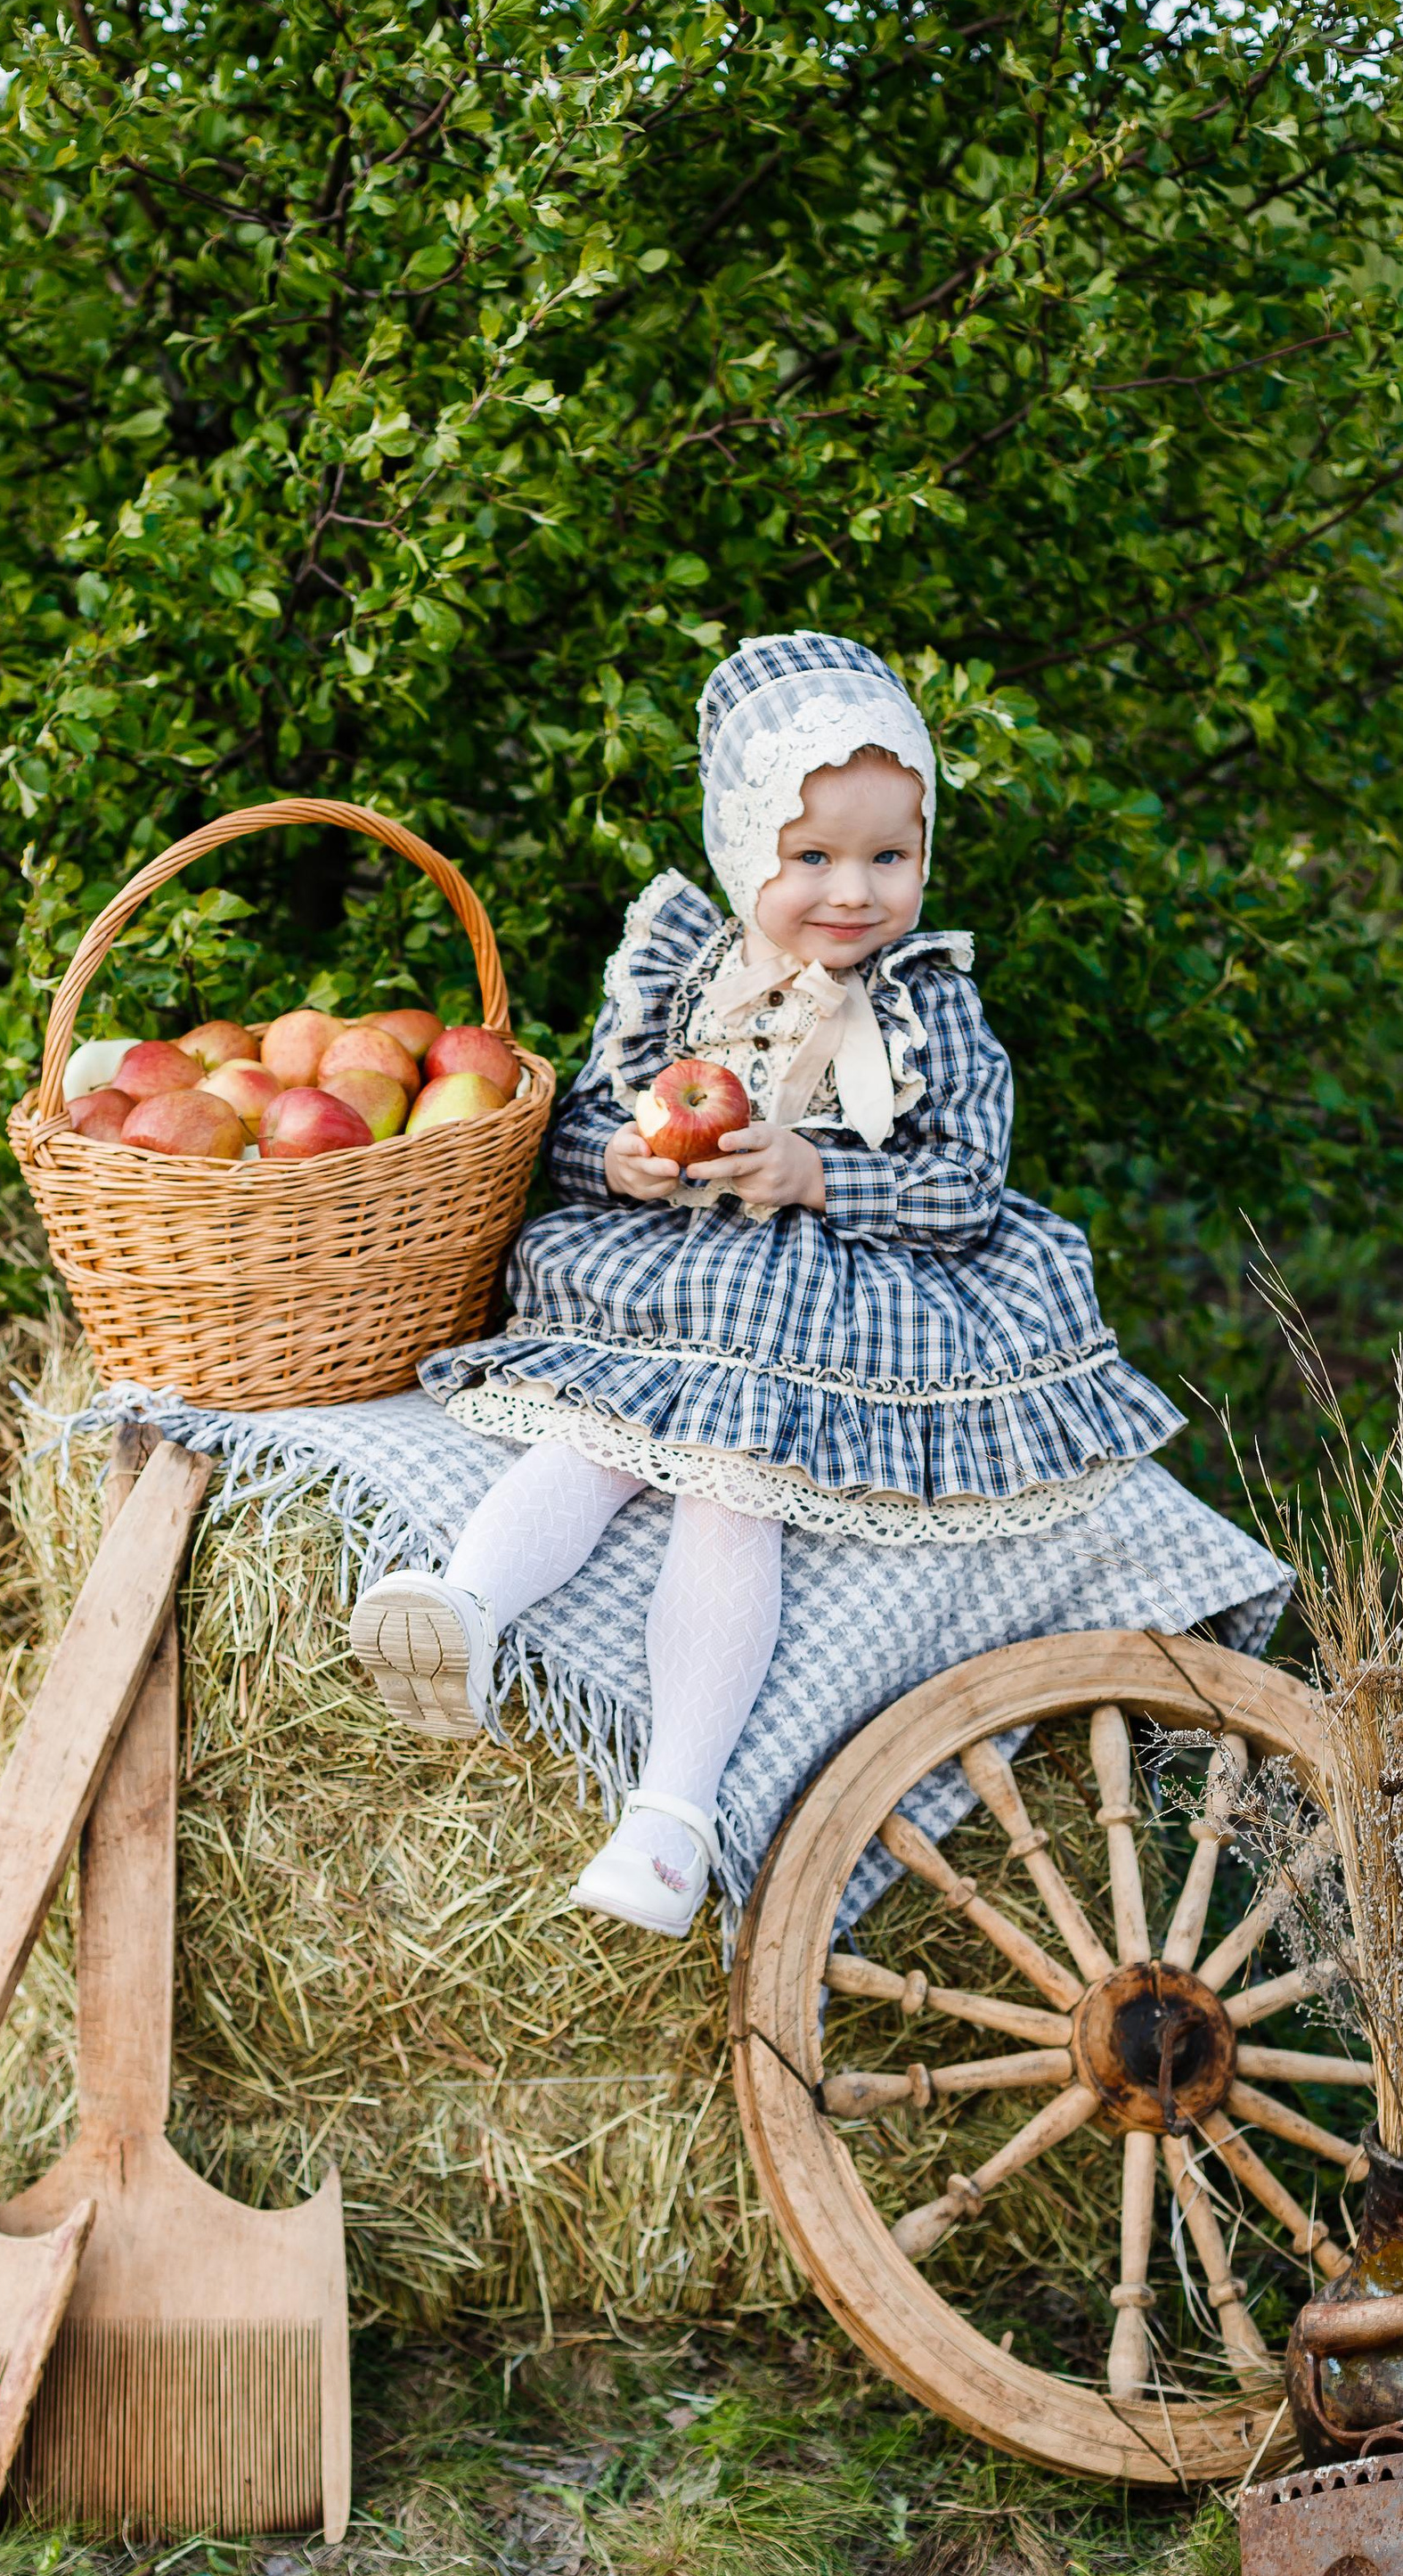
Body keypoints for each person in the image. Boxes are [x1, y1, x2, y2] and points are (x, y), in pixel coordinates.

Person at [348, 631, 1182, 1935]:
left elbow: (967, 1186)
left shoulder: (930, 1002)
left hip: (844, 1297)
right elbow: (569, 1140)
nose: (852, 892)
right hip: (677, 1281)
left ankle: (671, 1819)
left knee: (727, 1492)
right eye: (812, 858)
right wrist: (624, 1162)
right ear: (747, 852)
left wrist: (817, 1179)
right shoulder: (684, 973)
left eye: (888, 857)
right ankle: (464, 1602)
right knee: (589, 1439)